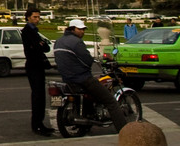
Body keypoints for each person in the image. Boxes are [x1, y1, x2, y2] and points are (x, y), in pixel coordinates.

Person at [53, 19, 129, 133]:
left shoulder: (59, 41)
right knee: (111, 102)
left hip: (67, 78)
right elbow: (87, 60)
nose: (82, 32)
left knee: (88, 97)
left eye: (83, 29)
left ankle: (85, 122)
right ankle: (124, 131)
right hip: (82, 78)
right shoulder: (76, 42)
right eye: (80, 29)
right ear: (72, 29)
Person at [22, 8, 54, 136]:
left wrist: (40, 44)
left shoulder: (34, 31)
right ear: (28, 17)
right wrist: (39, 44)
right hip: (34, 65)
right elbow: (36, 47)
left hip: (38, 65)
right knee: (37, 96)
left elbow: (45, 46)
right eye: (35, 17)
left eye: (38, 17)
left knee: (40, 96)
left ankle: (40, 123)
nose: (37, 19)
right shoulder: (28, 31)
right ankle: (37, 125)